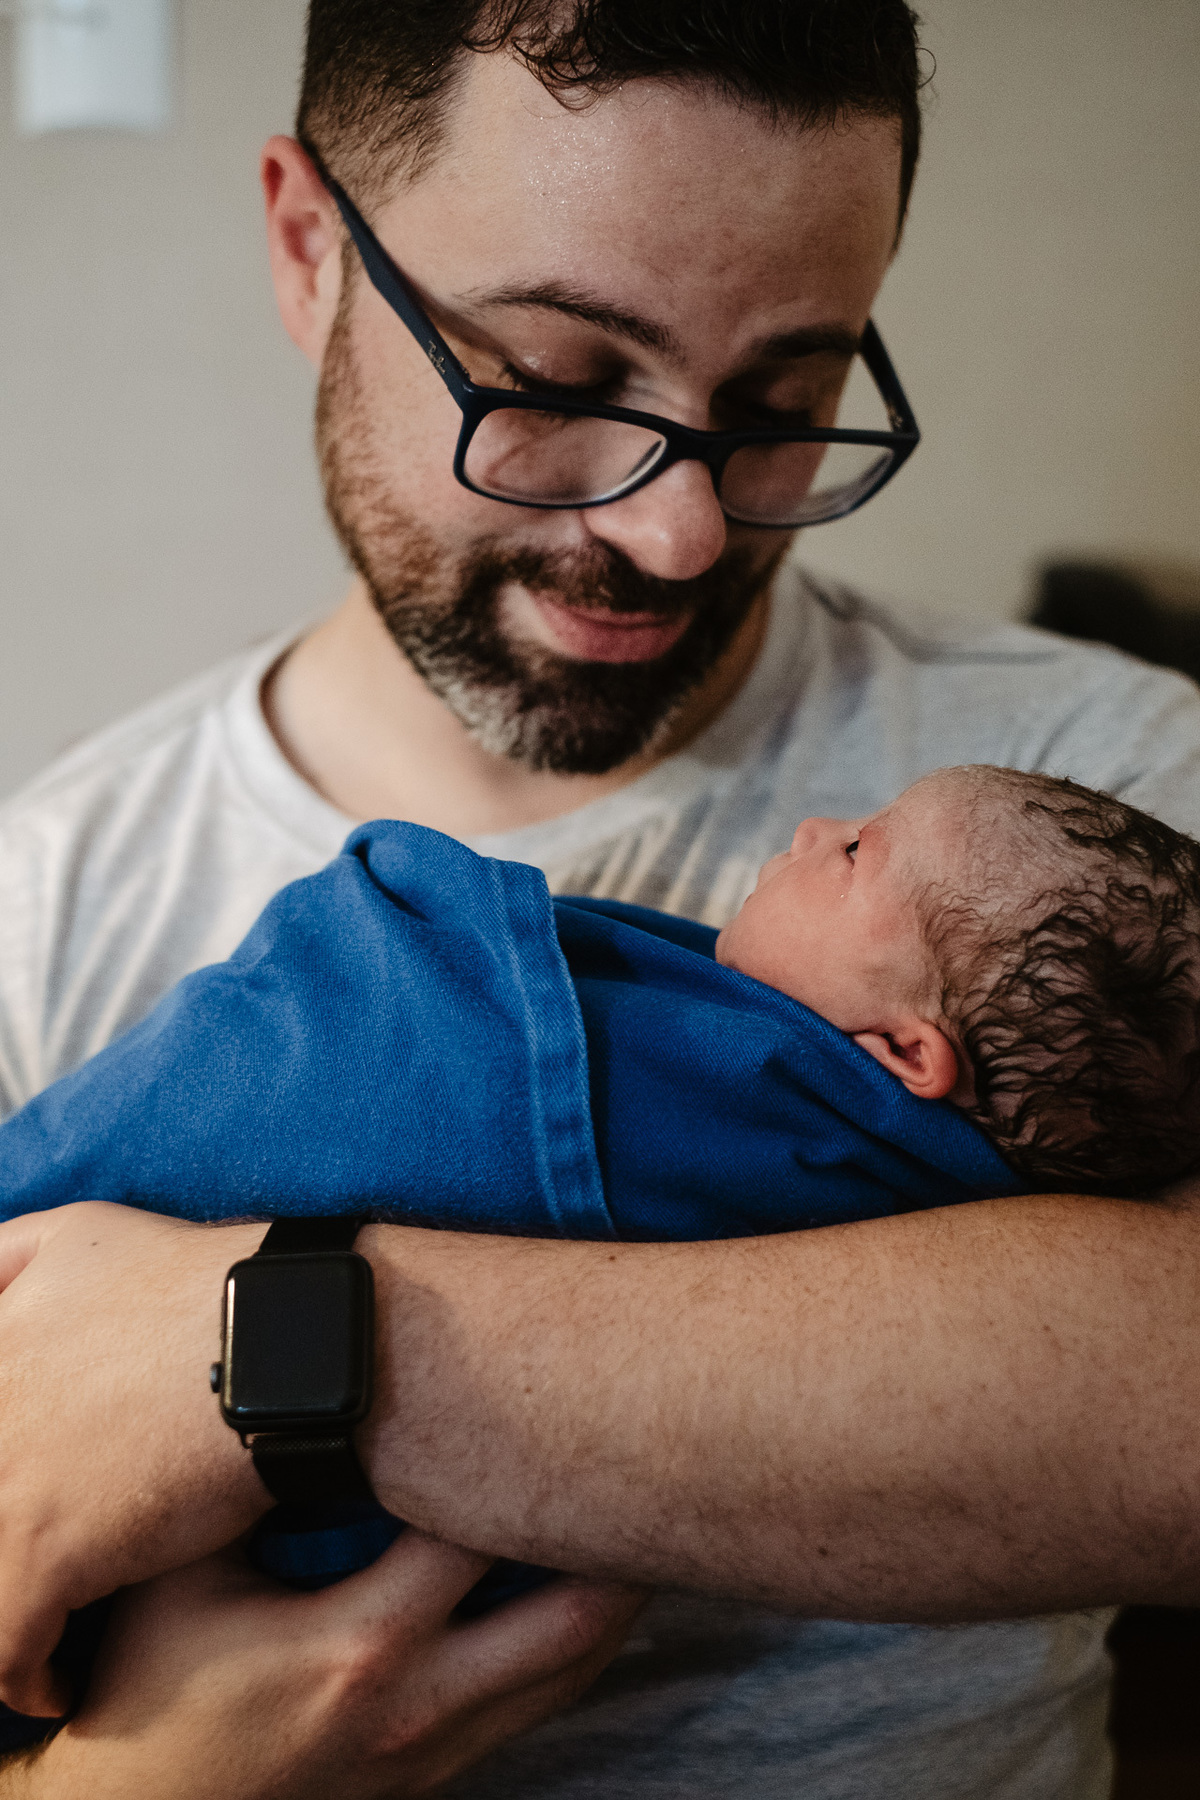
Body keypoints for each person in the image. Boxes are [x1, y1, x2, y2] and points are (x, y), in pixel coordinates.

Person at [2, 3, 1200, 1795]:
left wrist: (258, 1347)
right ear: (310, 249)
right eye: (556, 384)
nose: (683, 536)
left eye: (788, 399)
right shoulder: (54, 894)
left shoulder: (1095, 796)